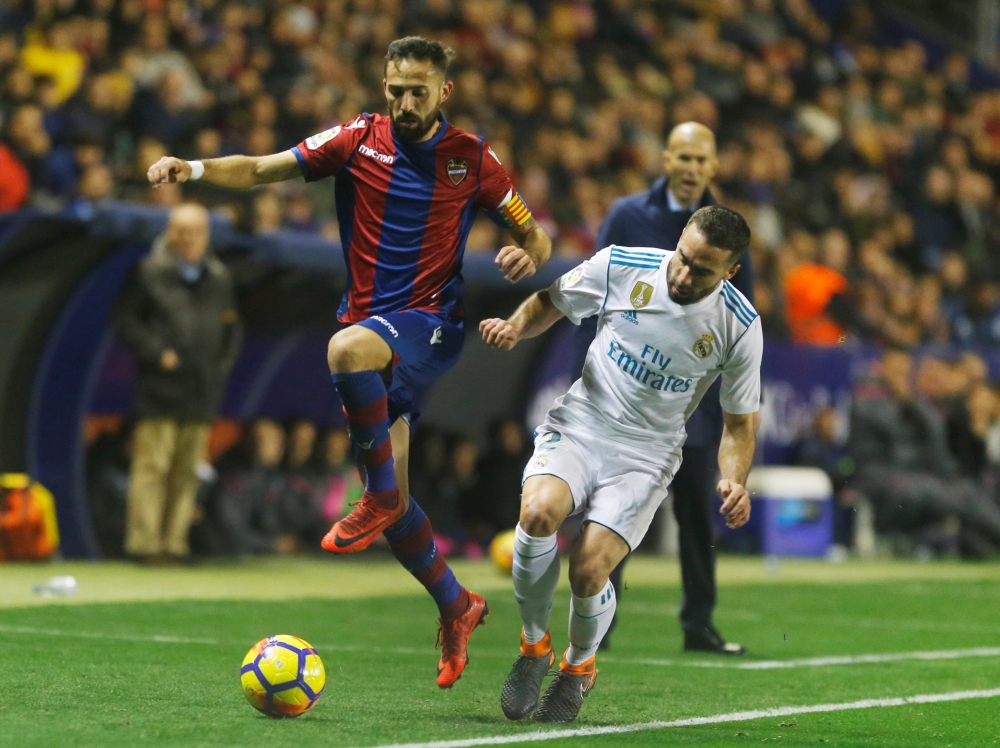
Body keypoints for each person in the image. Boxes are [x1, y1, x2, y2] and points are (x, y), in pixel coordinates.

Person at [146, 36, 552, 687]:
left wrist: (530, 251)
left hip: (430, 327)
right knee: (398, 512)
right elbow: (257, 169)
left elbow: (531, 228)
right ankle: (458, 604)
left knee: (345, 355)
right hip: (373, 328)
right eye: (397, 90)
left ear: (445, 91)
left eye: (419, 90)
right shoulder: (356, 140)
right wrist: (190, 169)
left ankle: (377, 496)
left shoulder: (472, 159)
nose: (406, 102)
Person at [481, 206, 761, 723]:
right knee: (539, 514)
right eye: (683, 258)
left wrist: (733, 479)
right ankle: (534, 645)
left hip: (646, 453)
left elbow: (739, 423)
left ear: (730, 273)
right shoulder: (623, 265)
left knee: (589, 570)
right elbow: (553, 301)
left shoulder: (740, 327)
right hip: (583, 420)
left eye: (702, 271)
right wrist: (514, 327)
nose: (682, 274)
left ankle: (580, 665)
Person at [570, 122, 755, 655]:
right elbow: (593, 289)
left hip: (686, 402)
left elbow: (742, 320)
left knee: (698, 514)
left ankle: (699, 623)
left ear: (714, 165)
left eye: (702, 158)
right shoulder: (628, 215)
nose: (693, 167)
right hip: (622, 394)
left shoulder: (730, 230)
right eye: (684, 157)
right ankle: (600, 621)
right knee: (616, 509)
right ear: (666, 159)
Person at [112, 202, 242, 564]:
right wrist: (158, 352)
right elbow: (125, 321)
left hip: (201, 389)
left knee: (187, 471)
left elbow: (232, 328)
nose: (187, 239)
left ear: (206, 236)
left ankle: (174, 544)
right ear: (169, 232)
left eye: (194, 231)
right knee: (151, 466)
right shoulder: (149, 272)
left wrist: (222, 363)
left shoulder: (218, 277)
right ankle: (144, 544)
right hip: (159, 386)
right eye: (180, 231)